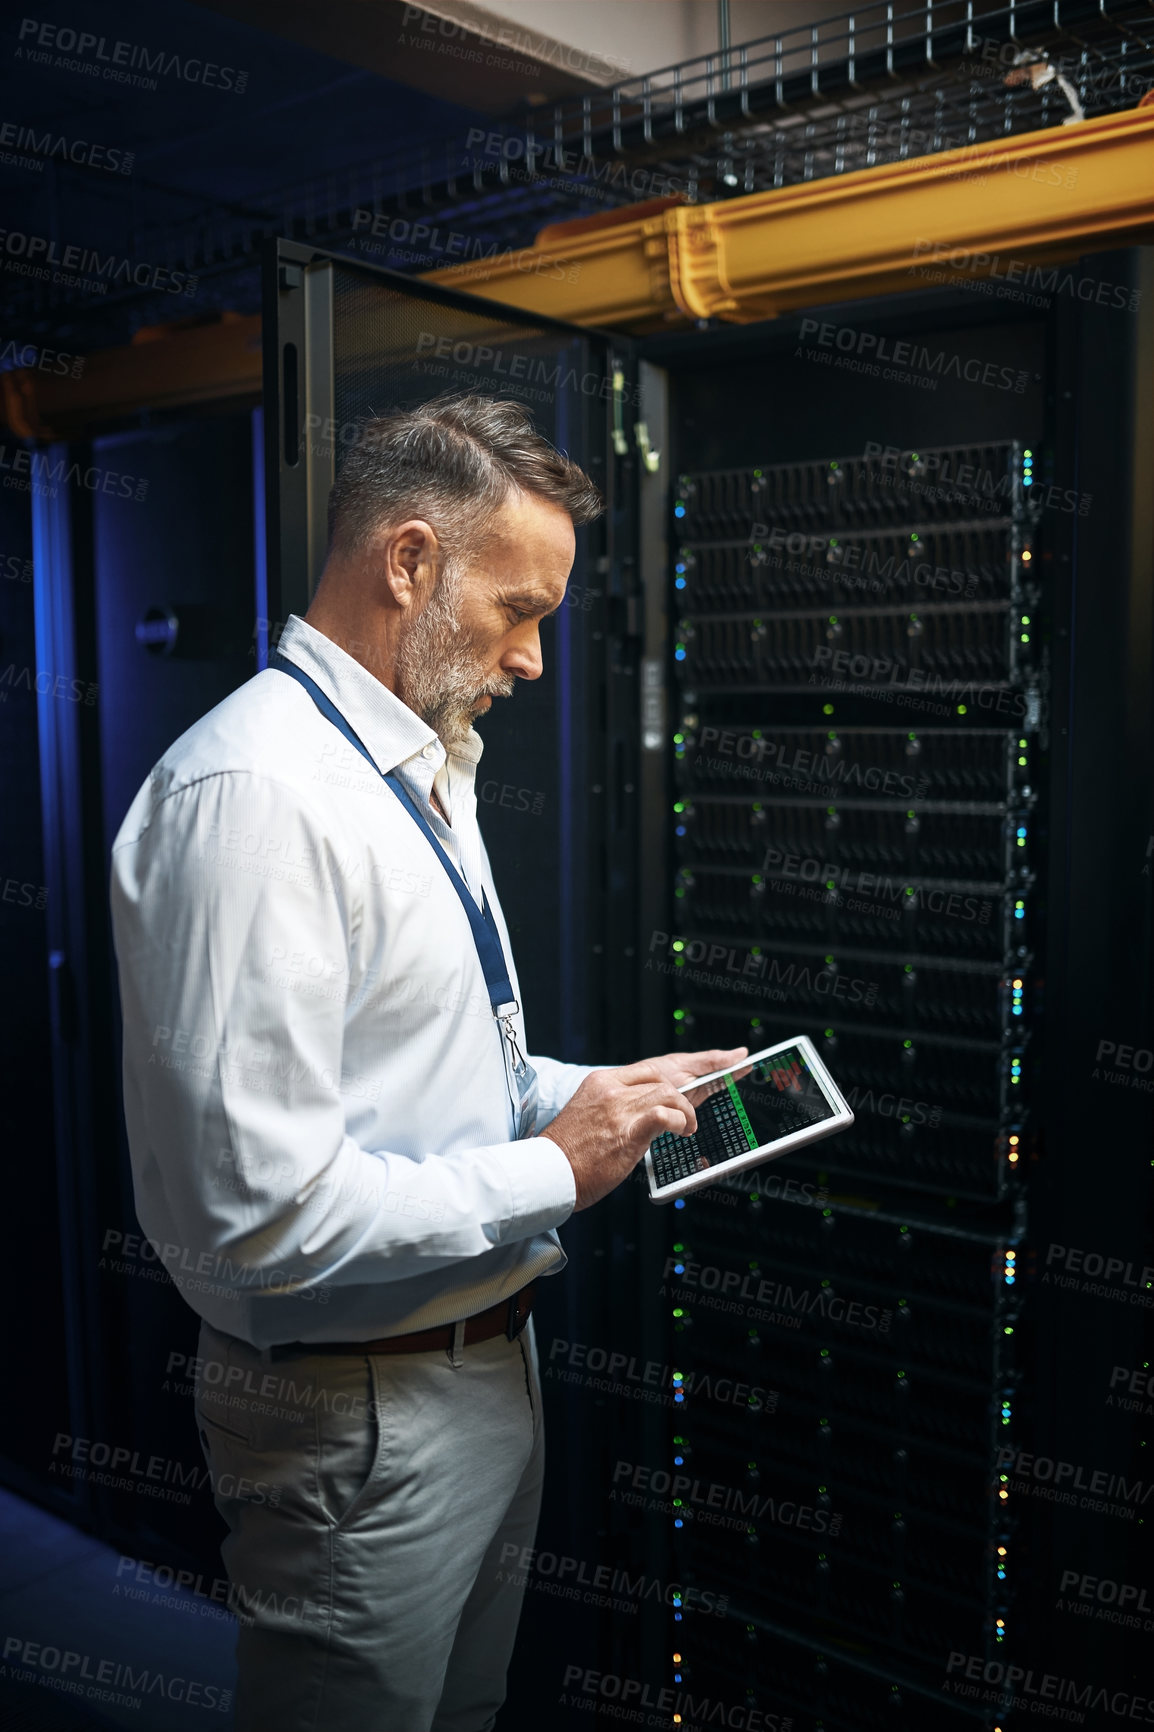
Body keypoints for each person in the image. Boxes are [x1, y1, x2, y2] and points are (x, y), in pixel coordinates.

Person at [109, 391, 746, 1732]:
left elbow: (434, 1064)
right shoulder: (260, 798)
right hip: (358, 1421)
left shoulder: (418, 760)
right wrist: (550, 1171)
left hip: (469, 1375)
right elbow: (261, 1222)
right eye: (518, 611)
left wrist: (590, 1100)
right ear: (409, 560)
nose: (528, 661)